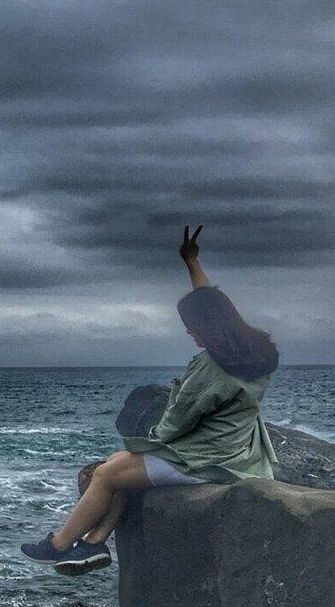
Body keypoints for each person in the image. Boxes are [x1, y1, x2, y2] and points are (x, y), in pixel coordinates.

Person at [20, 224, 281, 576]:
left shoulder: (212, 365)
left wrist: (148, 442)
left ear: (209, 326)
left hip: (208, 459)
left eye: (191, 326)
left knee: (107, 473)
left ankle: (59, 546)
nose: (188, 331)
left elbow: (179, 420)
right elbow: (212, 303)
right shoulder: (253, 348)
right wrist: (192, 263)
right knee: (123, 465)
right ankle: (95, 543)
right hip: (240, 450)